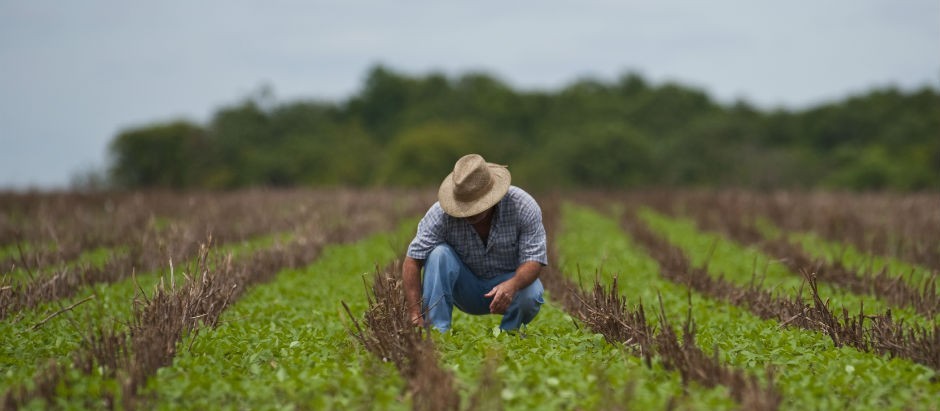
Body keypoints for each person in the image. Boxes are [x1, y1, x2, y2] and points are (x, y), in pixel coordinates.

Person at [403, 153, 547, 332]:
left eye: (476, 205)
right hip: (465, 289)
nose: (470, 213)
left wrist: (513, 284)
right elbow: (412, 260)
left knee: (531, 292)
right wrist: (414, 313)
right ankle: (437, 333)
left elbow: (534, 259)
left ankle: (510, 335)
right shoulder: (440, 214)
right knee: (439, 254)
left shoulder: (523, 206)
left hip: (508, 284)